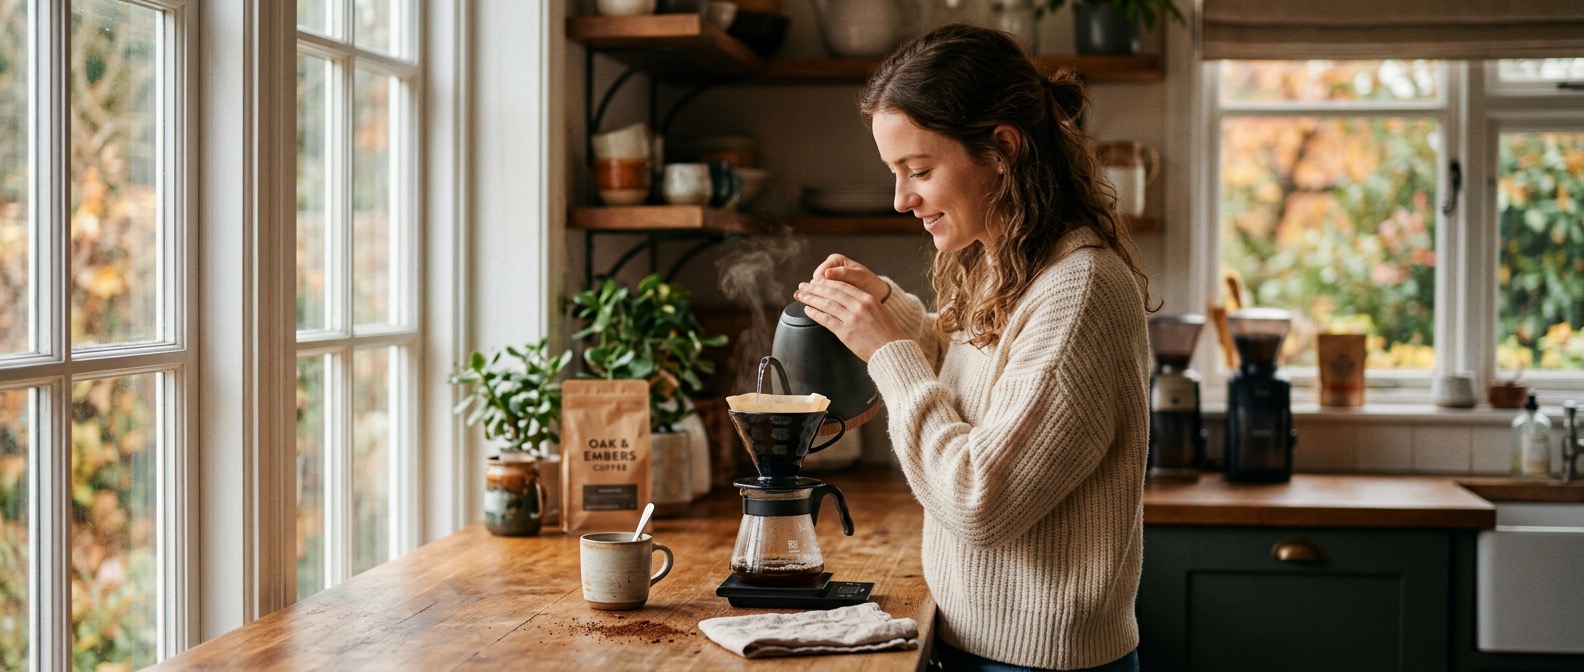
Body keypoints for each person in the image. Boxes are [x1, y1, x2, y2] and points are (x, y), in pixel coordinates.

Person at [790, 24, 1154, 672]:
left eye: (919, 170)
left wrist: (887, 352)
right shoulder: (1011, 261)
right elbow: (982, 373)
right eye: (895, 174)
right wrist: (888, 311)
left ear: (1001, 149)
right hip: (974, 644)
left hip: (1036, 664)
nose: (901, 199)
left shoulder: (1081, 291)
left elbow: (979, 501)